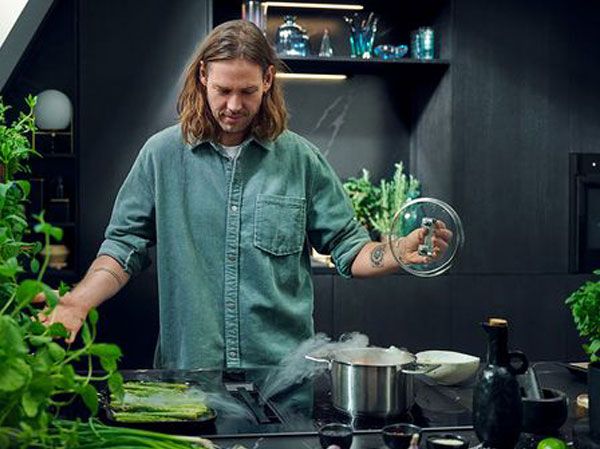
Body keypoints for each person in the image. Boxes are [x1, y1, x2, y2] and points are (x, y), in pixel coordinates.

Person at [37, 20, 451, 369]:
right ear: (203, 76)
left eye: (248, 91)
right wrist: (77, 302)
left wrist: (394, 251)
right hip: (190, 379)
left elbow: (348, 248)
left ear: (268, 79)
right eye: (222, 90)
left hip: (283, 382)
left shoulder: (302, 160)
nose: (234, 105)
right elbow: (123, 247)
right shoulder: (161, 156)